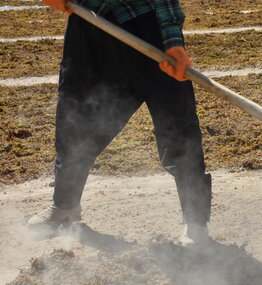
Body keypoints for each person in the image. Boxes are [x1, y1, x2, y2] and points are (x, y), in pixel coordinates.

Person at [27, 0, 212, 246]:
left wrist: (172, 39)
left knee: (176, 123)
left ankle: (195, 221)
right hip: (88, 26)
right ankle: (65, 207)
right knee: (76, 118)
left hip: (144, 25)